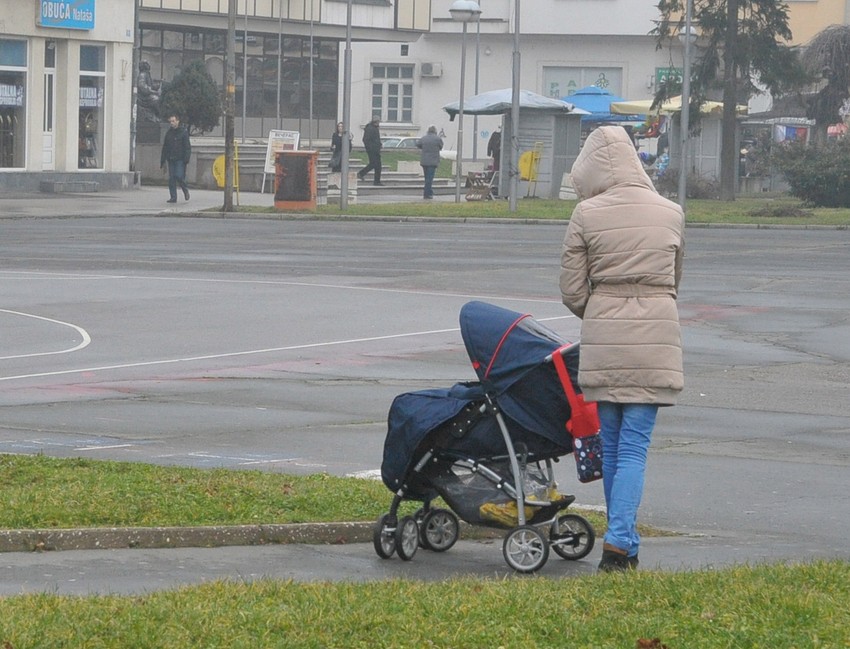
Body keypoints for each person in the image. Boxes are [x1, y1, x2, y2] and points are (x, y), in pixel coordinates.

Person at [559, 125, 684, 573]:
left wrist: (601, 311)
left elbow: (572, 290)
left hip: (604, 337)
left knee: (610, 447)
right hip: (656, 335)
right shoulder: (671, 211)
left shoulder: (585, 214)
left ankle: (621, 542)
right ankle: (620, 544)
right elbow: (675, 280)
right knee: (633, 447)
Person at [160, 113, 192, 203]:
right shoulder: (169, 133)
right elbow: (165, 147)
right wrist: (162, 160)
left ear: (178, 121)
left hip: (180, 159)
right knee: (171, 178)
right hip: (171, 158)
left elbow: (187, 147)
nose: (172, 123)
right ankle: (173, 197)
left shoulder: (183, 132)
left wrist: (186, 159)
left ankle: (185, 189)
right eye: (170, 121)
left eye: (173, 121)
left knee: (179, 176)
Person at [416, 125, 443, 199]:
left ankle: (429, 191)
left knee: (426, 177)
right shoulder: (438, 139)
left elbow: (418, 145)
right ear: (435, 131)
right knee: (430, 178)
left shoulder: (423, 138)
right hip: (433, 161)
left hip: (424, 161)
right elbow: (441, 147)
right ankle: (427, 194)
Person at [357, 115, 383, 185]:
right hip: (372, 150)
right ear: (375, 122)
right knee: (374, 164)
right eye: (378, 122)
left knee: (378, 165)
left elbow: (376, 139)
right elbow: (366, 140)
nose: (379, 123)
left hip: (376, 150)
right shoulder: (370, 128)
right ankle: (361, 173)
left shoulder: (375, 128)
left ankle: (376, 181)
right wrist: (371, 148)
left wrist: (379, 144)